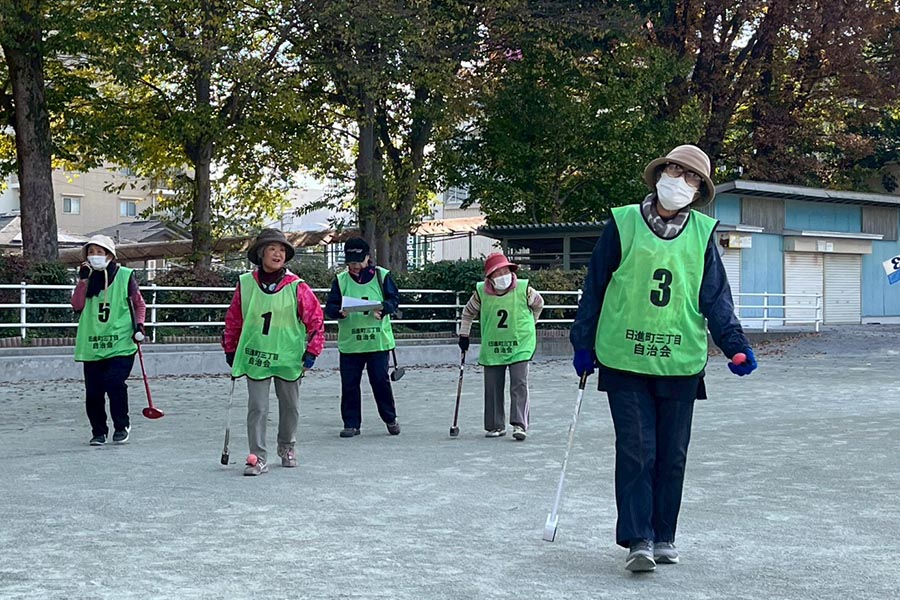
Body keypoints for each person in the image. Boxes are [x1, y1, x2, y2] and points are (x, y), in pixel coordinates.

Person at [570, 144, 758, 572]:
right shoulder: (623, 222)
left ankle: (664, 535)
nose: (679, 179)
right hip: (624, 356)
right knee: (638, 450)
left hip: (680, 361)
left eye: (690, 176)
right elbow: (595, 286)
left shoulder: (703, 234)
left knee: (672, 454)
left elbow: (716, 299)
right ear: (660, 174)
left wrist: (736, 345)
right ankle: (639, 539)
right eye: (674, 169)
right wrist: (583, 342)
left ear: (698, 190)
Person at [222, 228, 325, 476]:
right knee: (257, 407)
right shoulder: (246, 284)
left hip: (288, 357)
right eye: (272, 249)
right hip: (257, 355)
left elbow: (316, 320)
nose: (277, 254)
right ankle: (257, 457)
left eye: (281, 250)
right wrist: (231, 348)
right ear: (261, 253)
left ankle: (287, 446)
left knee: (290, 406)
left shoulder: (297, 287)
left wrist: (312, 350)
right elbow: (234, 319)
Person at [458, 252, 544, 440]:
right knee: (493, 385)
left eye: (505, 271)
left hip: (520, 344)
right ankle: (495, 425)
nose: (502, 276)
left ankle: (519, 425)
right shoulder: (481, 292)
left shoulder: (524, 288)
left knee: (519, 383)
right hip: (494, 345)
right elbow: (467, 313)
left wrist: (531, 324)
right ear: (489, 277)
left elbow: (539, 304)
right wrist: (464, 335)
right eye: (497, 273)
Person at [72, 235, 146, 446]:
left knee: (114, 383)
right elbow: (77, 305)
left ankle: (121, 425)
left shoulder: (125, 276)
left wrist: (139, 326)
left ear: (110, 256)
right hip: (93, 343)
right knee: (93, 392)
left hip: (121, 342)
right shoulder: (87, 279)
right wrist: (83, 281)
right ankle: (98, 431)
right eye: (91, 252)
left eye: (99, 252)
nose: (95, 256)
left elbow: (139, 305)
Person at [324, 237, 401, 438]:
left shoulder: (382, 276)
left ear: (368, 257)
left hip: (378, 342)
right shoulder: (340, 280)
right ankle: (351, 424)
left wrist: (384, 309)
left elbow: (394, 300)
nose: (355, 265)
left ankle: (390, 419)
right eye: (351, 261)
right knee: (349, 384)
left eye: (359, 260)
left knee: (380, 382)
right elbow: (330, 307)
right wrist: (339, 312)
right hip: (351, 344)